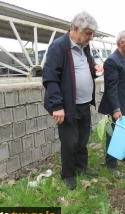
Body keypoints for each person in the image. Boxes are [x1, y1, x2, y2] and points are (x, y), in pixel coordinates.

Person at [42, 11, 103, 190]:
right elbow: (50, 78)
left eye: (92, 34)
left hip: (84, 103)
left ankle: (81, 169)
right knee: (69, 141)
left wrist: (94, 68)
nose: (90, 38)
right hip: (68, 106)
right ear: (75, 28)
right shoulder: (59, 47)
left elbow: (84, 67)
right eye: (88, 33)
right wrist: (57, 106)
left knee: (83, 139)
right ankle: (68, 175)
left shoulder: (84, 47)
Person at [98, 30, 125, 176]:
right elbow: (111, 88)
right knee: (113, 134)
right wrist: (115, 109)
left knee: (124, 132)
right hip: (116, 105)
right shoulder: (112, 61)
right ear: (122, 43)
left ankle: (122, 155)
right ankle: (111, 163)